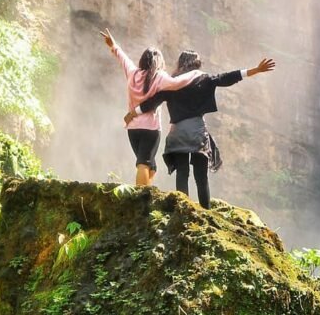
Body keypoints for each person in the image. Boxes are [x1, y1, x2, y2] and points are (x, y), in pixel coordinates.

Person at [124, 50, 275, 209]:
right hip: (197, 132)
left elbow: (151, 103)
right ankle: (205, 209)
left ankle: (182, 209)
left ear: (180, 63)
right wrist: (255, 70)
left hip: (177, 133)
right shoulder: (204, 79)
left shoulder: (171, 84)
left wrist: (132, 113)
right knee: (201, 176)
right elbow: (227, 78)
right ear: (197, 64)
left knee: (182, 173)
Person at [101, 28, 200, 186]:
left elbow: (123, 59)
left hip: (133, 129)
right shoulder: (159, 77)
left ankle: (147, 192)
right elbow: (177, 83)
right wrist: (195, 73)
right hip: (150, 129)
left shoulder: (133, 74)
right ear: (158, 62)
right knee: (143, 162)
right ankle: (139, 196)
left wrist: (113, 45)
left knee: (151, 165)